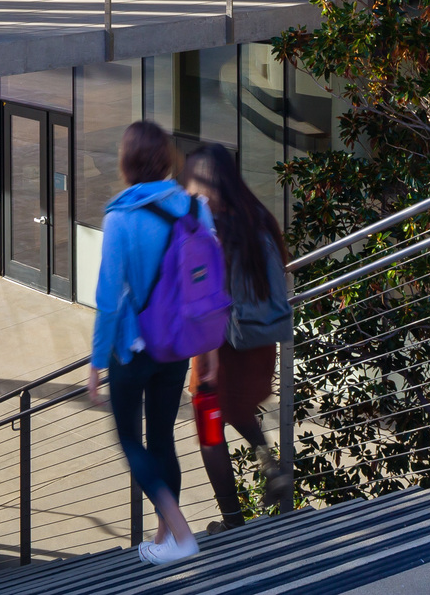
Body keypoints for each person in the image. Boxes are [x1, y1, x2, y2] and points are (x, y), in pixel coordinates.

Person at [87, 120, 215, 567]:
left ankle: (180, 531)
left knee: (130, 441)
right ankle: (166, 540)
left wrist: (96, 360)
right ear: (165, 158)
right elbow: (207, 290)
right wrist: (209, 351)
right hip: (178, 347)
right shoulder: (196, 209)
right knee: (163, 440)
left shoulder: (120, 217)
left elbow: (107, 297)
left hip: (134, 347)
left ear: (126, 161)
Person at [182, 144, 294, 529]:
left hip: (220, 349)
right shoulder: (259, 218)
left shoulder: (212, 229)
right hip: (260, 345)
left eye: (193, 179)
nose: (188, 188)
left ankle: (231, 522)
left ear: (209, 183)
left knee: (210, 430)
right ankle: (269, 463)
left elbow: (205, 299)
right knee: (237, 408)